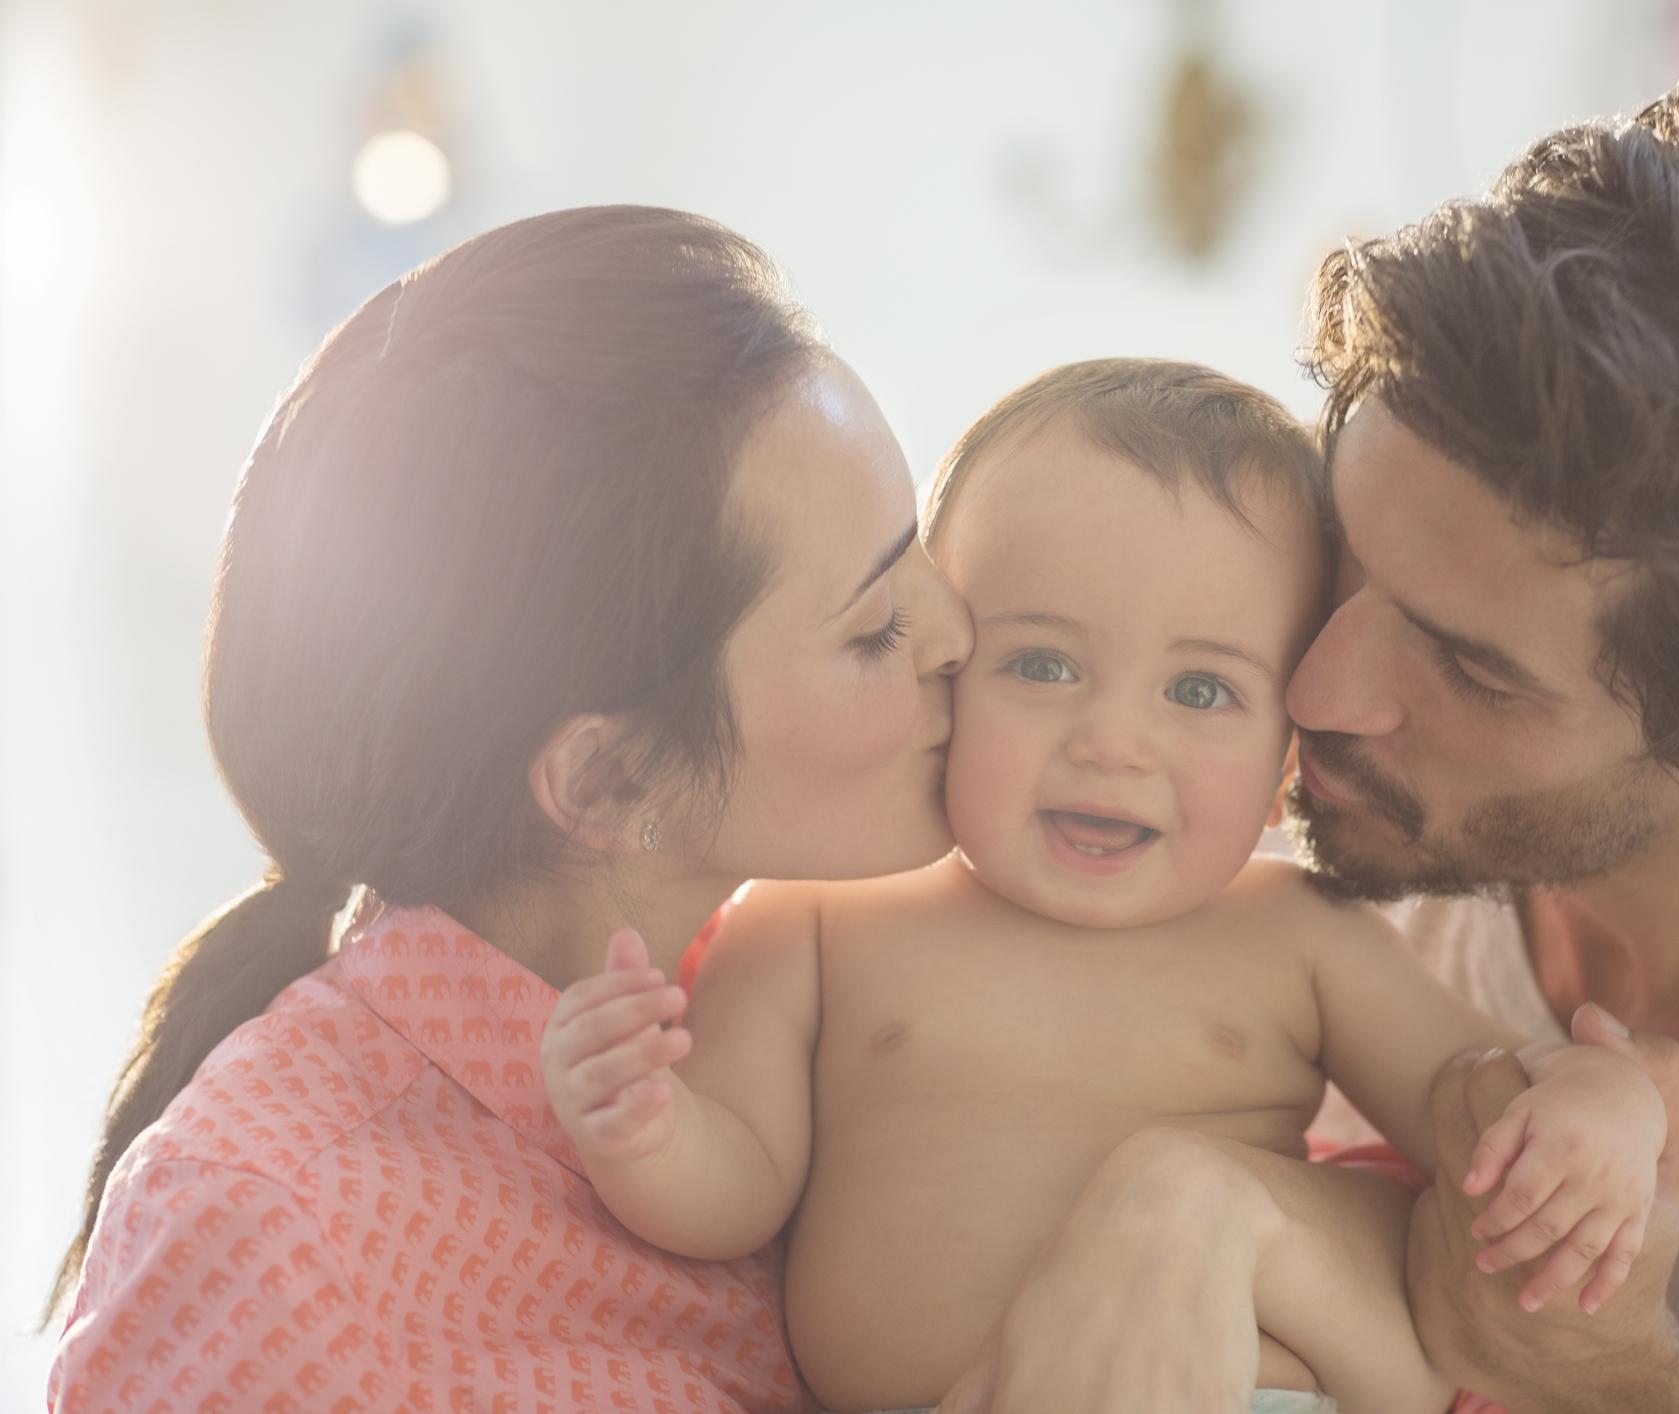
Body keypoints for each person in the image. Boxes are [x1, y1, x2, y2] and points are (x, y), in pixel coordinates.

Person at [941, 81, 1679, 1413]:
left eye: (1465, 664)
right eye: (1348, 548)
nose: (1316, 691)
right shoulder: (1197, 831)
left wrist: (1612, 1377)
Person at [539, 360, 1671, 1414]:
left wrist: (1598, 1108)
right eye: (1042, 665)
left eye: (1201, 690)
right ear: (943, 666)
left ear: (1288, 758)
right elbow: (739, 1181)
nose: (1114, 742)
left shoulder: (1293, 933)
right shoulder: (817, 916)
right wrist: (641, 1127)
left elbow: (1475, 1103)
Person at [44, 205, 980, 1411]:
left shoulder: (844, 999)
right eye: (876, 630)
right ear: (608, 781)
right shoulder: (269, 1235)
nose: (959, 631)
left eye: (922, 555)